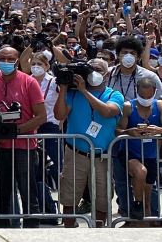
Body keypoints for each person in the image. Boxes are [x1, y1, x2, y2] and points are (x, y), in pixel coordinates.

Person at [0, 46, 47, 225]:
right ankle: (2, 228)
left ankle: (32, 230)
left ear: (17, 61)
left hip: (24, 146)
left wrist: (17, 131)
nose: (6, 62)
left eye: (11, 59)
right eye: (3, 59)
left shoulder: (29, 82)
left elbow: (41, 116)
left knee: (28, 191)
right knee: (2, 191)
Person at [54, 57, 124, 227]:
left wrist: (85, 92)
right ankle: (69, 227)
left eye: (99, 70)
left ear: (106, 74)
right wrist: (63, 88)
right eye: (90, 69)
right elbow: (59, 115)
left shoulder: (114, 95)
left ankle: (99, 229)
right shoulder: (73, 93)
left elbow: (108, 111)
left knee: (102, 196)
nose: (94, 73)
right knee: (69, 195)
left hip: (102, 155)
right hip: (76, 152)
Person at [117, 71, 160, 222]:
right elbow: (117, 131)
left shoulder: (159, 107)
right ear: (137, 92)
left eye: (149, 97)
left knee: (148, 195)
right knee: (141, 172)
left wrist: (158, 130)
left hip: (151, 154)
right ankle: (137, 205)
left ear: (155, 92)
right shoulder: (128, 107)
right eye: (143, 96)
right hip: (130, 153)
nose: (146, 100)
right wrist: (130, 131)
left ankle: (144, 223)